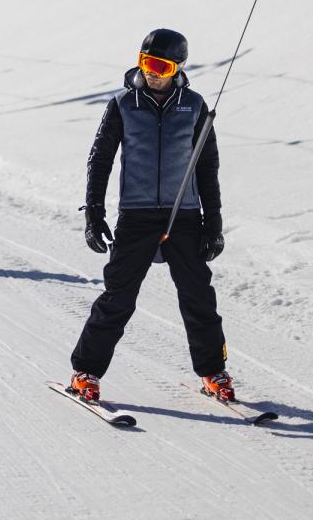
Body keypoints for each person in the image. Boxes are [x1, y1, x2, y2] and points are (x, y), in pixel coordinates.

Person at [66, 28, 230, 405]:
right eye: (146, 63)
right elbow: (100, 159)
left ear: (178, 68)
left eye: (161, 65)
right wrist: (93, 211)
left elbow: (208, 168)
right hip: (136, 217)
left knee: (199, 298)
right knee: (118, 298)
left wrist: (214, 223)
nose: (152, 72)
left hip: (184, 215)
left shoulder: (195, 105)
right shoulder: (123, 104)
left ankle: (212, 371)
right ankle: (85, 371)